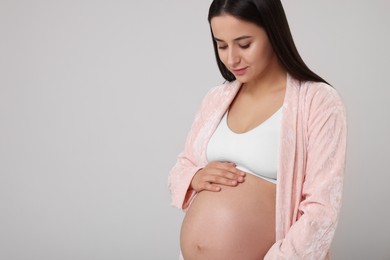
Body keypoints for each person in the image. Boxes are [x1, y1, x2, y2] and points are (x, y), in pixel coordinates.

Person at [168, 0, 347, 259]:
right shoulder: (216, 98)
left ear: (273, 33)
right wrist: (194, 177)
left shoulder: (318, 101)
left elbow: (322, 210)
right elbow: (182, 166)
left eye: (244, 44)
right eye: (221, 45)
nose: (232, 58)